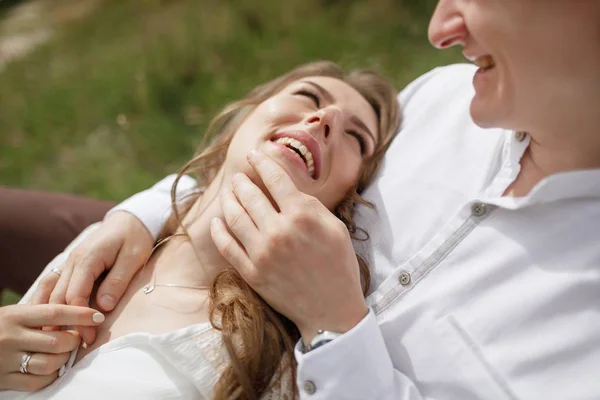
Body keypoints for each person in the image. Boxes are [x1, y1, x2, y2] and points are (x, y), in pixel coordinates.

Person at [7, 0, 600, 398]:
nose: (439, 29)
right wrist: (145, 213)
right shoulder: (444, 98)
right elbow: (284, 144)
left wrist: (334, 327)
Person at [0, 61, 401, 399]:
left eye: (355, 137)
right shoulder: (102, 246)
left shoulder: (261, 363)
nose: (325, 117)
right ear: (245, 116)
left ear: (349, 198)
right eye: (308, 97)